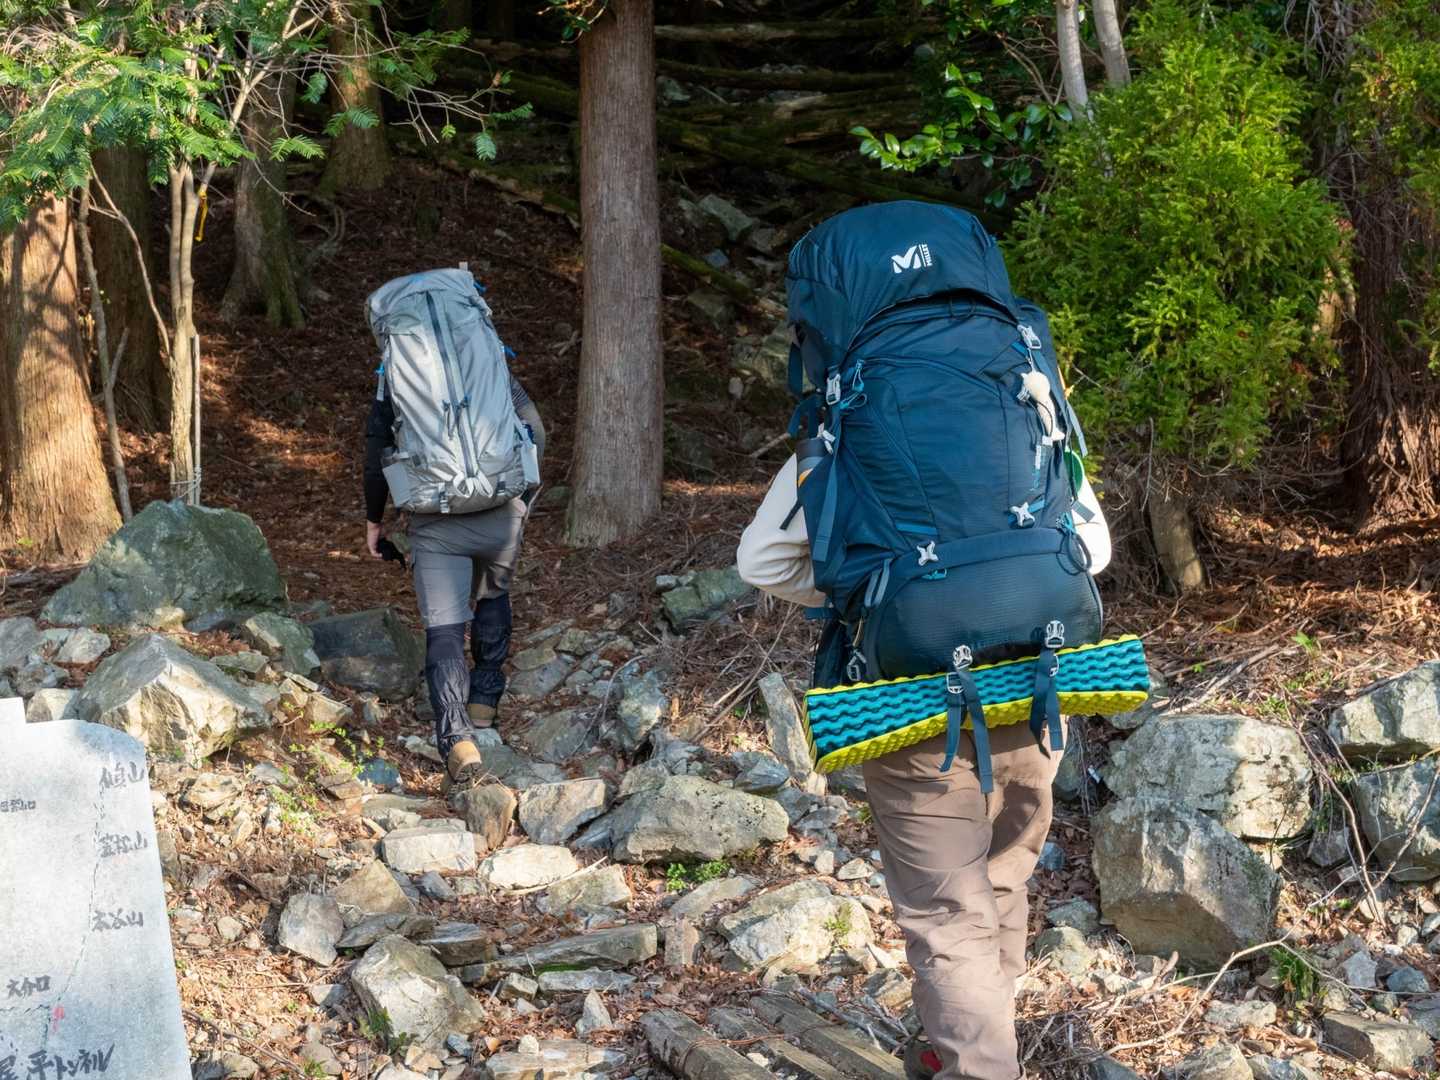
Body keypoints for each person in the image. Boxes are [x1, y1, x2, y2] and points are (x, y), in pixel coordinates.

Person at [737, 455, 1111, 1080]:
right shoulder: (1034, 405)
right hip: (1031, 690)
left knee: (948, 916)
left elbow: (762, 561)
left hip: (908, 703)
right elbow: (1092, 549)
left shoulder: (845, 419)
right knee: (1001, 879)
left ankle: (978, 1064)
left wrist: (873, 599)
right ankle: (959, 1047)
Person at [363, 373, 545, 786]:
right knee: (493, 593)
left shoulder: (396, 370)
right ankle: (484, 701)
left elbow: (376, 451)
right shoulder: (485, 354)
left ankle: (458, 739)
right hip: (500, 507)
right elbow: (535, 427)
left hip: (436, 518)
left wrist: (375, 519)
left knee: (444, 627)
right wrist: (522, 496)